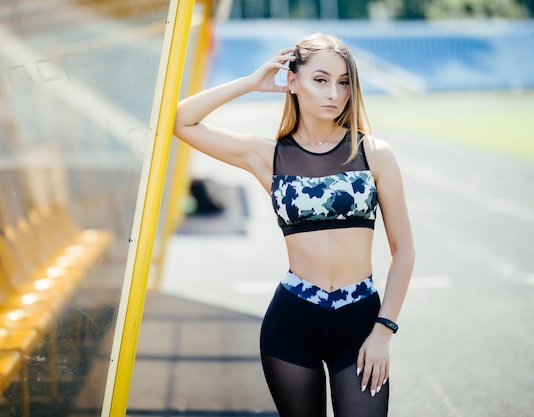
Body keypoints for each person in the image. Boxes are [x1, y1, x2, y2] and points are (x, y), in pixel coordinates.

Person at [173, 33, 415, 417]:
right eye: (320, 79)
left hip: (360, 320)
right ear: (293, 82)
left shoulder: (373, 154)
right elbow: (181, 120)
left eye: (343, 81)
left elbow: (404, 251)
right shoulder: (266, 155)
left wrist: (383, 330)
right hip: (291, 322)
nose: (333, 92)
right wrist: (252, 82)